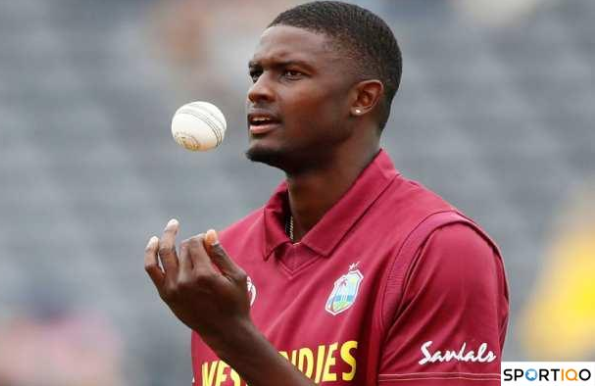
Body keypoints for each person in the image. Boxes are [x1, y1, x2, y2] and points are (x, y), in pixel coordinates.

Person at [144, 2, 509, 385]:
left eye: (290, 74)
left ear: (362, 98)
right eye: (256, 74)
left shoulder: (439, 249)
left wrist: (233, 336)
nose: (256, 92)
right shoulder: (226, 260)